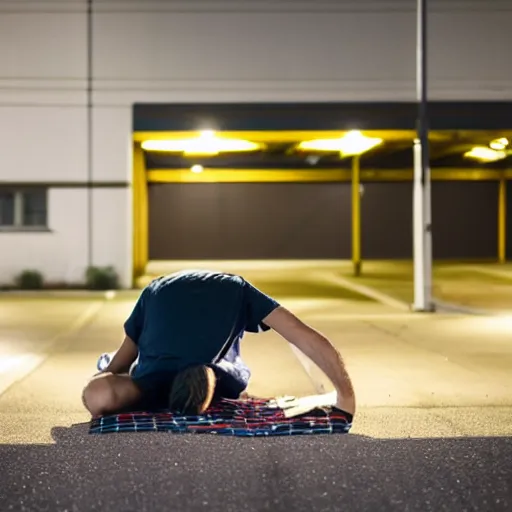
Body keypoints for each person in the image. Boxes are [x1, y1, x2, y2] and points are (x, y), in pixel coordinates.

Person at [81, 269, 356, 419]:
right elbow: (301, 333)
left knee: (100, 393)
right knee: (196, 378)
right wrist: (346, 397)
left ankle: (185, 389)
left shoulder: (156, 290)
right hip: (214, 379)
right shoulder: (236, 288)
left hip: (152, 380)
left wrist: (103, 376)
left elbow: (122, 359)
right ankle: (206, 390)